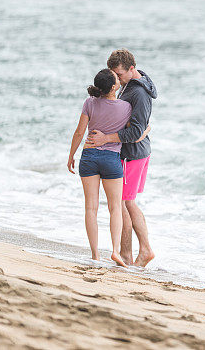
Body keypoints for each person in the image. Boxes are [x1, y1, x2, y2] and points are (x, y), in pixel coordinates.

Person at [67, 68, 149, 267]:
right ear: (113, 87)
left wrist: (71, 156)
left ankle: (95, 254)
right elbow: (134, 130)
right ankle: (115, 252)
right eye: (116, 79)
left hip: (88, 157)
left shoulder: (89, 103)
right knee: (115, 208)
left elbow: (79, 133)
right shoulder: (125, 107)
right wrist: (146, 131)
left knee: (91, 208)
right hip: (111, 159)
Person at [86, 49, 157, 267]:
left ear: (131, 69)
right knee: (126, 203)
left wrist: (106, 137)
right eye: (114, 75)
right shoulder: (132, 84)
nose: (116, 79)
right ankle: (133, 252)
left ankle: (136, 252)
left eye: (120, 75)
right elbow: (137, 127)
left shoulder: (139, 93)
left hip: (132, 155)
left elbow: (135, 131)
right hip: (136, 152)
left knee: (125, 204)